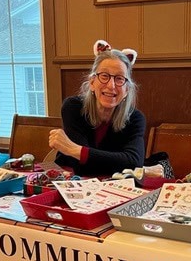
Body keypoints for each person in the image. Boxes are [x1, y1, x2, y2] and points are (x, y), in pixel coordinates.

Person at [49, 40, 145, 177]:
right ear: (92, 83)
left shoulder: (135, 118)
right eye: (104, 76)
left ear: (127, 89)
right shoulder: (73, 107)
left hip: (111, 189)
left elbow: (134, 163)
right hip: (70, 184)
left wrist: (72, 149)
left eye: (119, 79)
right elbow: (82, 168)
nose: (111, 85)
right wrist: (120, 163)